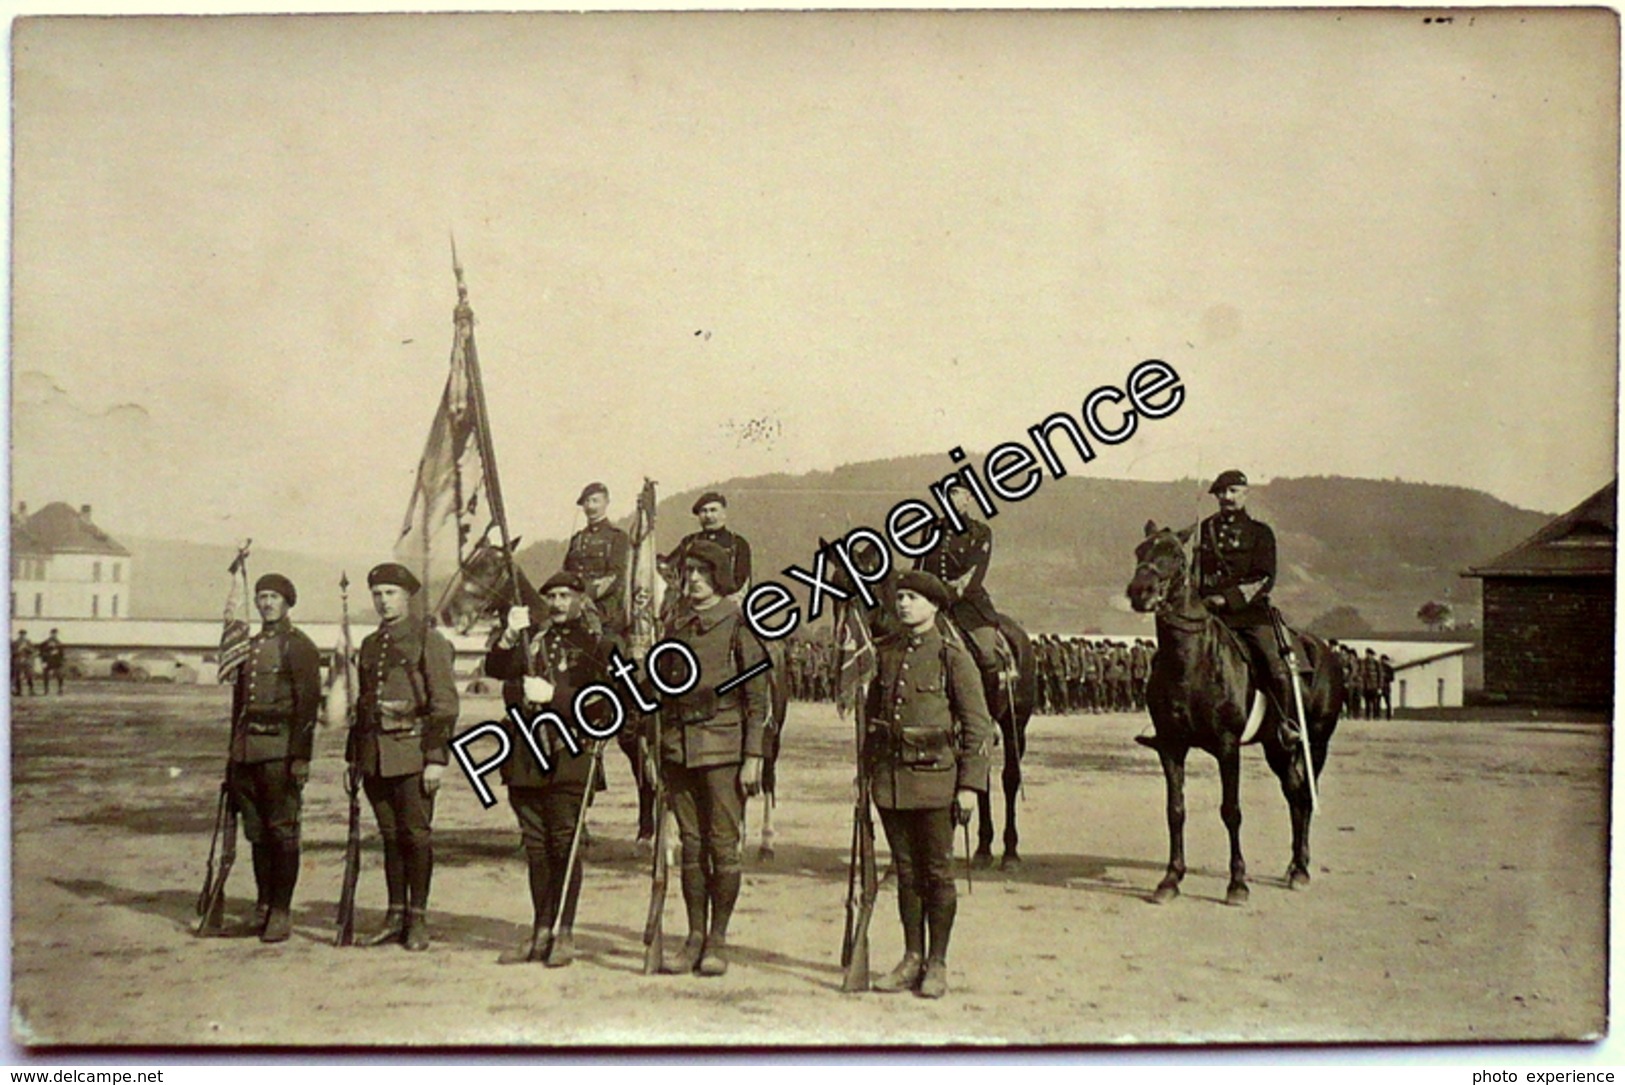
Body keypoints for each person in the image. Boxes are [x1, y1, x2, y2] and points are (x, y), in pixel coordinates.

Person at [863, 570, 993, 999]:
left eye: (913, 598)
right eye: (899, 597)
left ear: (934, 606)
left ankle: (937, 962)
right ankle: (910, 957)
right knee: (905, 873)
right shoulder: (887, 653)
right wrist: (866, 774)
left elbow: (977, 726)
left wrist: (970, 786)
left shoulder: (952, 656)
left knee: (937, 873)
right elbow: (873, 719)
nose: (903, 604)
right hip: (892, 781)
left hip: (936, 781)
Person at [646, 540, 769, 977]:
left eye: (702, 571)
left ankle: (718, 938)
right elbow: (658, 691)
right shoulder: (676, 625)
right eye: (687, 571)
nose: (692, 579)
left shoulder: (740, 625)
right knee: (692, 847)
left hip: (723, 748)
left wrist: (754, 755)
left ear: (718, 577)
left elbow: (759, 698)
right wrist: (654, 747)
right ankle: (694, 936)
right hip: (679, 749)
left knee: (723, 846)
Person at [484, 571, 619, 967]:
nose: (558, 603)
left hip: (570, 752)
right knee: (536, 846)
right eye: (552, 595)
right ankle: (541, 928)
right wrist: (509, 638)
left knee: (565, 842)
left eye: (566, 595)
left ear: (581, 599)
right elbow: (497, 673)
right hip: (526, 753)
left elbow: (606, 703)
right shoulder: (534, 639)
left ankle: (565, 931)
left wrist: (557, 696)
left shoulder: (598, 643)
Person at [348, 562, 460, 951]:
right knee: (390, 837)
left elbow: (444, 704)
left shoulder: (428, 640)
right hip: (376, 755)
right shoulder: (370, 644)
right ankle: (394, 915)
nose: (383, 601)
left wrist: (435, 758)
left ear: (408, 596)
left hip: (412, 754)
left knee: (416, 837)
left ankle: (417, 919)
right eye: (377, 594)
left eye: (391, 593)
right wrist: (355, 759)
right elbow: (363, 705)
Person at [224, 574, 322, 943]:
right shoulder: (247, 646)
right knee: (256, 833)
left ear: (287, 602)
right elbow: (239, 705)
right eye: (262, 597)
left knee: (282, 832)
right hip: (247, 752)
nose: (266, 603)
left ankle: (281, 910)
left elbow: (307, 706)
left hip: (280, 752)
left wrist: (300, 758)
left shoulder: (298, 647)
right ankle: (262, 907)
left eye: (274, 597)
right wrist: (233, 755)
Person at [1195, 469, 1298, 744]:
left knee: (1275, 667)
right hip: (1209, 615)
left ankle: (1286, 724)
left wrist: (1227, 599)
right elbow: (1196, 572)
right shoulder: (1204, 529)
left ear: (1245, 493)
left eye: (1233, 491)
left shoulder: (1260, 533)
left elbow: (1264, 577)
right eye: (1221, 492)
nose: (1226, 497)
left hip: (1248, 615)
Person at [914, 487, 1003, 709]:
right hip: (932, 606)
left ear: (969, 498)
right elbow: (919, 567)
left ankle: (987, 715)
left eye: (956, 493)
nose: (950, 498)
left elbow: (974, 573)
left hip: (969, 606)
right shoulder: (930, 529)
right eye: (947, 494)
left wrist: (947, 596)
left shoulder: (980, 532)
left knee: (985, 653)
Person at [563, 482, 631, 636]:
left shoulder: (617, 537)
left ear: (606, 502)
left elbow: (615, 576)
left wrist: (585, 596)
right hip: (574, 609)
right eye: (586, 502)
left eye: (595, 501)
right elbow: (566, 573)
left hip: (605, 612)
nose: (590, 506)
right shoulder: (577, 539)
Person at [671, 492, 753, 605]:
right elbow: (672, 570)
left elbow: (742, 582)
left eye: (713, 510)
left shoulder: (737, 543)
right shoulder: (688, 542)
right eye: (704, 511)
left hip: (728, 608)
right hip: (693, 606)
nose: (708, 516)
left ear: (724, 513)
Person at [39, 629, 66, 695]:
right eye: (53, 633)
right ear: (50, 634)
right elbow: (41, 651)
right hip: (48, 661)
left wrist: (61, 658)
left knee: (60, 675)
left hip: (57, 661)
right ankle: (46, 690)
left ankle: (60, 689)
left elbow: (62, 653)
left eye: (55, 633)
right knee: (46, 676)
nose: (54, 635)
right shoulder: (45, 642)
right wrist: (44, 660)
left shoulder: (59, 643)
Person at [11, 630, 36, 696]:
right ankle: (19, 691)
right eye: (21, 634)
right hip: (18, 661)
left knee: (29, 676)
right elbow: (12, 653)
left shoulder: (28, 642)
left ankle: (31, 690)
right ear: (19, 635)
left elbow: (32, 651)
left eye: (24, 634)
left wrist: (26, 648)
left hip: (27, 661)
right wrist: (19, 649)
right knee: (18, 677)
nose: (23, 635)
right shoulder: (15, 643)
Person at [1380, 654, 1396, 719]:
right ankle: (1377, 716)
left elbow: (1392, 678)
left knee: (1388, 702)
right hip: (1379, 686)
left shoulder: (1389, 668)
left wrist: (1386, 676)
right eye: (1382, 660)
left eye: (1385, 660)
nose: (1383, 661)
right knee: (1377, 701)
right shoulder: (1378, 668)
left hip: (1386, 687)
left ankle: (1388, 716)